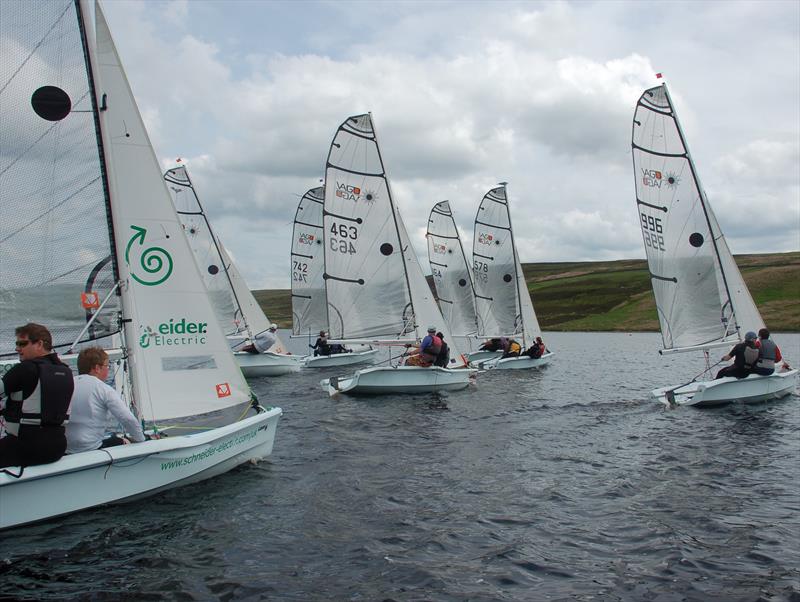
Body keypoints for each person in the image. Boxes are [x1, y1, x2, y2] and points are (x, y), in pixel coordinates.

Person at [0, 323, 74, 469]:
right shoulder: (66, 371)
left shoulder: (25, 369)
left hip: (24, 447)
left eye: (22, 343)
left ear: (39, 344)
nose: (17, 349)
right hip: (57, 447)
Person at [66, 347, 146, 454]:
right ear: (97, 368)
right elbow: (127, 418)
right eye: (107, 366)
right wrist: (141, 440)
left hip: (66, 449)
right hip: (90, 449)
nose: (108, 369)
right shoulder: (102, 388)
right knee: (123, 441)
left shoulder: (67, 385)